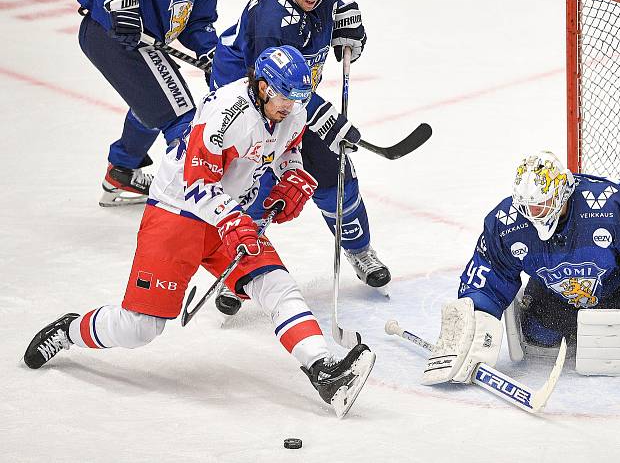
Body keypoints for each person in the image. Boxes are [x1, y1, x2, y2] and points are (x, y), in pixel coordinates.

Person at [23, 46, 375, 418]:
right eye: (285, 97)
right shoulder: (226, 112)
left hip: (226, 211)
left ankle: (324, 372)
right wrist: (233, 219)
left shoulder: (292, 108)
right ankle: (69, 331)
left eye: (298, 97)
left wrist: (291, 174)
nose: (291, 106)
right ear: (263, 87)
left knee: (277, 285)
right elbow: (197, 184)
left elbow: (286, 150)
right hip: (178, 210)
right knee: (140, 327)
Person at [422, 151, 620, 386]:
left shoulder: (612, 202)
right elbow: (490, 271)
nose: (534, 214)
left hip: (619, 292)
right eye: (528, 206)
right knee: (538, 335)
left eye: (542, 204)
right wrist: (476, 316)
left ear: (563, 191)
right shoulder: (506, 222)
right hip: (557, 298)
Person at [209, 0, 390, 316]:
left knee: (332, 173)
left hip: (293, 99)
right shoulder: (272, 21)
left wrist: (348, 29)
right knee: (257, 181)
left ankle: (360, 250)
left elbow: (331, 13)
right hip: (249, 101)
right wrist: (323, 116)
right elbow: (272, 85)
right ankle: (240, 269)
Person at [78, 0, 224, 206]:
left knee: (154, 104)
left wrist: (209, 51)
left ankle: (122, 171)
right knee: (180, 117)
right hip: (112, 36)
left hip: (144, 43)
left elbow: (195, 20)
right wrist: (119, 4)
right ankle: (190, 202)